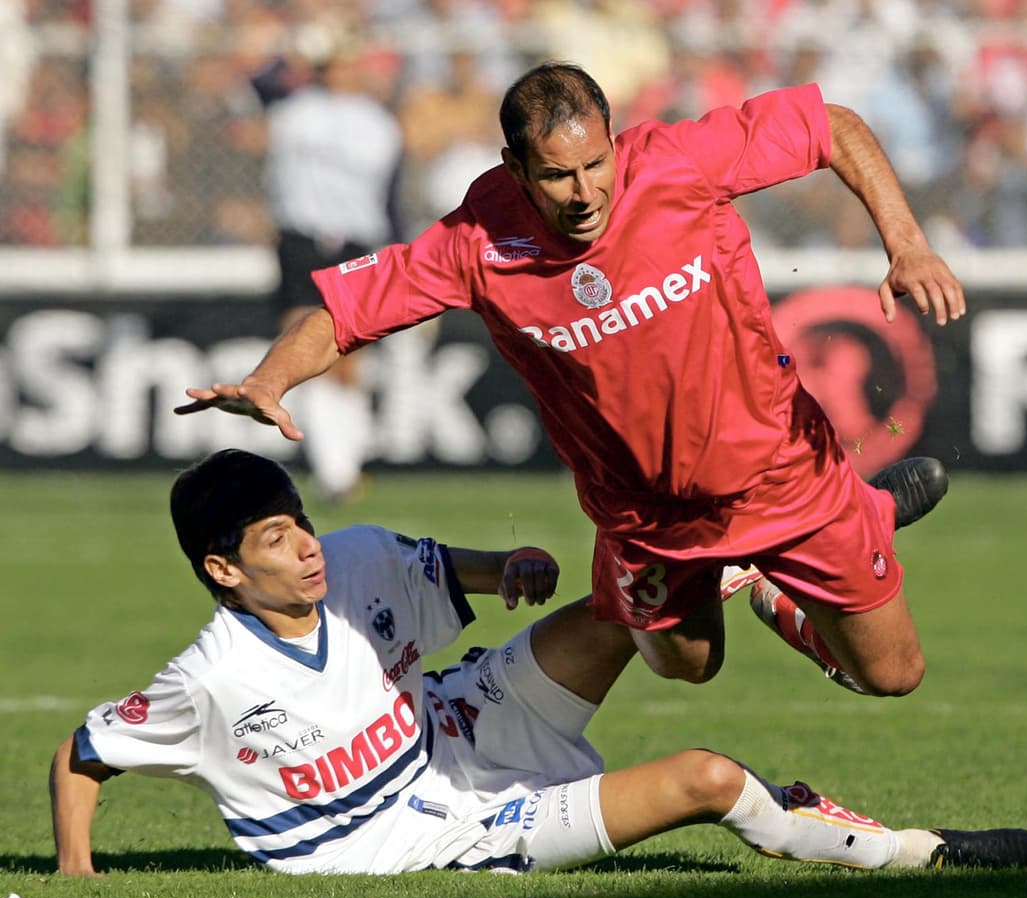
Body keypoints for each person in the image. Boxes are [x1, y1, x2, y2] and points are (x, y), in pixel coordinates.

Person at [176, 61, 965, 698]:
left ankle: (826, 545)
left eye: (597, 164)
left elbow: (832, 124)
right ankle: (785, 572)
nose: (586, 193)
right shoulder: (476, 240)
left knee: (895, 676)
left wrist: (907, 243)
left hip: (783, 476)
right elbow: (344, 312)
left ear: (617, 143)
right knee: (687, 666)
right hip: (644, 516)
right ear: (514, 168)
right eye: (559, 176)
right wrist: (271, 376)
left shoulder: (680, 163)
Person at [49, 450, 1027, 877]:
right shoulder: (210, 676)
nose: (305, 547)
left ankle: (787, 575)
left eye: (299, 523)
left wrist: (508, 570)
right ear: (222, 570)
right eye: (274, 540)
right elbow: (81, 754)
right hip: (422, 835)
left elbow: (445, 568)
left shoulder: (349, 559)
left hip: (453, 727)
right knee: (706, 779)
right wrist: (76, 875)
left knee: (626, 604)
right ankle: (912, 851)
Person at [251, 21, 404, 502]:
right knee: (302, 339)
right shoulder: (294, 111)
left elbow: (391, 199)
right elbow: (256, 82)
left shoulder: (379, 123)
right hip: (300, 238)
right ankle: (333, 467)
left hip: (354, 244)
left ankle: (346, 460)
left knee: (347, 355)